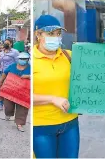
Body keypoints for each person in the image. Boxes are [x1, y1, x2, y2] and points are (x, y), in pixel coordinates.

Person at [33, 15, 79, 159]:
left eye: (58, 33)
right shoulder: (31, 60)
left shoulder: (69, 56)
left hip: (70, 123)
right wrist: (52, 99)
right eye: (50, 33)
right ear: (38, 34)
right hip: (41, 126)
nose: (56, 37)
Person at [0, 52, 31, 132]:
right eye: (21, 59)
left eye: (24, 59)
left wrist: (28, 76)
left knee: (22, 108)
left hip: (24, 93)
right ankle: (8, 114)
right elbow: (5, 73)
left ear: (27, 60)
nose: (22, 60)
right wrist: (1, 81)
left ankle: (19, 124)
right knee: (8, 106)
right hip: (10, 91)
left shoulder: (31, 68)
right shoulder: (12, 66)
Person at [0, 38, 19, 111]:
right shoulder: (2, 53)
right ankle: (1, 104)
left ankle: (10, 106)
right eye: (5, 42)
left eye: (7, 43)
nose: (5, 44)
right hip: (3, 74)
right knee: (2, 89)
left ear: (11, 44)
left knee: (10, 90)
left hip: (12, 74)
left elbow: (18, 63)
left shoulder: (15, 52)